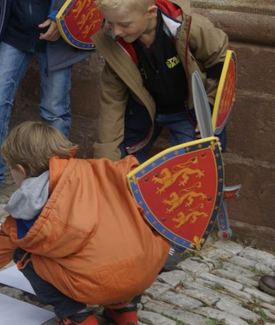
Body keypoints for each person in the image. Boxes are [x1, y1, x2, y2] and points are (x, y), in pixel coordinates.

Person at [0, 122, 170, 325]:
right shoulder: (103, 168)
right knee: (127, 232)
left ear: (21, 170)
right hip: (146, 269)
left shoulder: (29, 208)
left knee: (22, 251)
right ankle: (124, 309)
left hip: (99, 284)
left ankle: (76, 316)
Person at [91, 0, 229, 270]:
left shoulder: (191, 28)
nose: (116, 31)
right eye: (110, 23)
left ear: (150, 12)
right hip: (144, 109)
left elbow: (221, 62)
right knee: (120, 163)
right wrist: (107, 157)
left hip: (188, 111)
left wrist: (210, 110)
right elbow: (112, 102)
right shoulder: (115, 43)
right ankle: (123, 226)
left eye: (124, 24)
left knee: (189, 171)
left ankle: (177, 239)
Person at [0, 0, 92, 214]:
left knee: (55, 112)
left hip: (59, 35)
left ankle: (55, 185)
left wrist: (61, 16)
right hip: (13, 32)